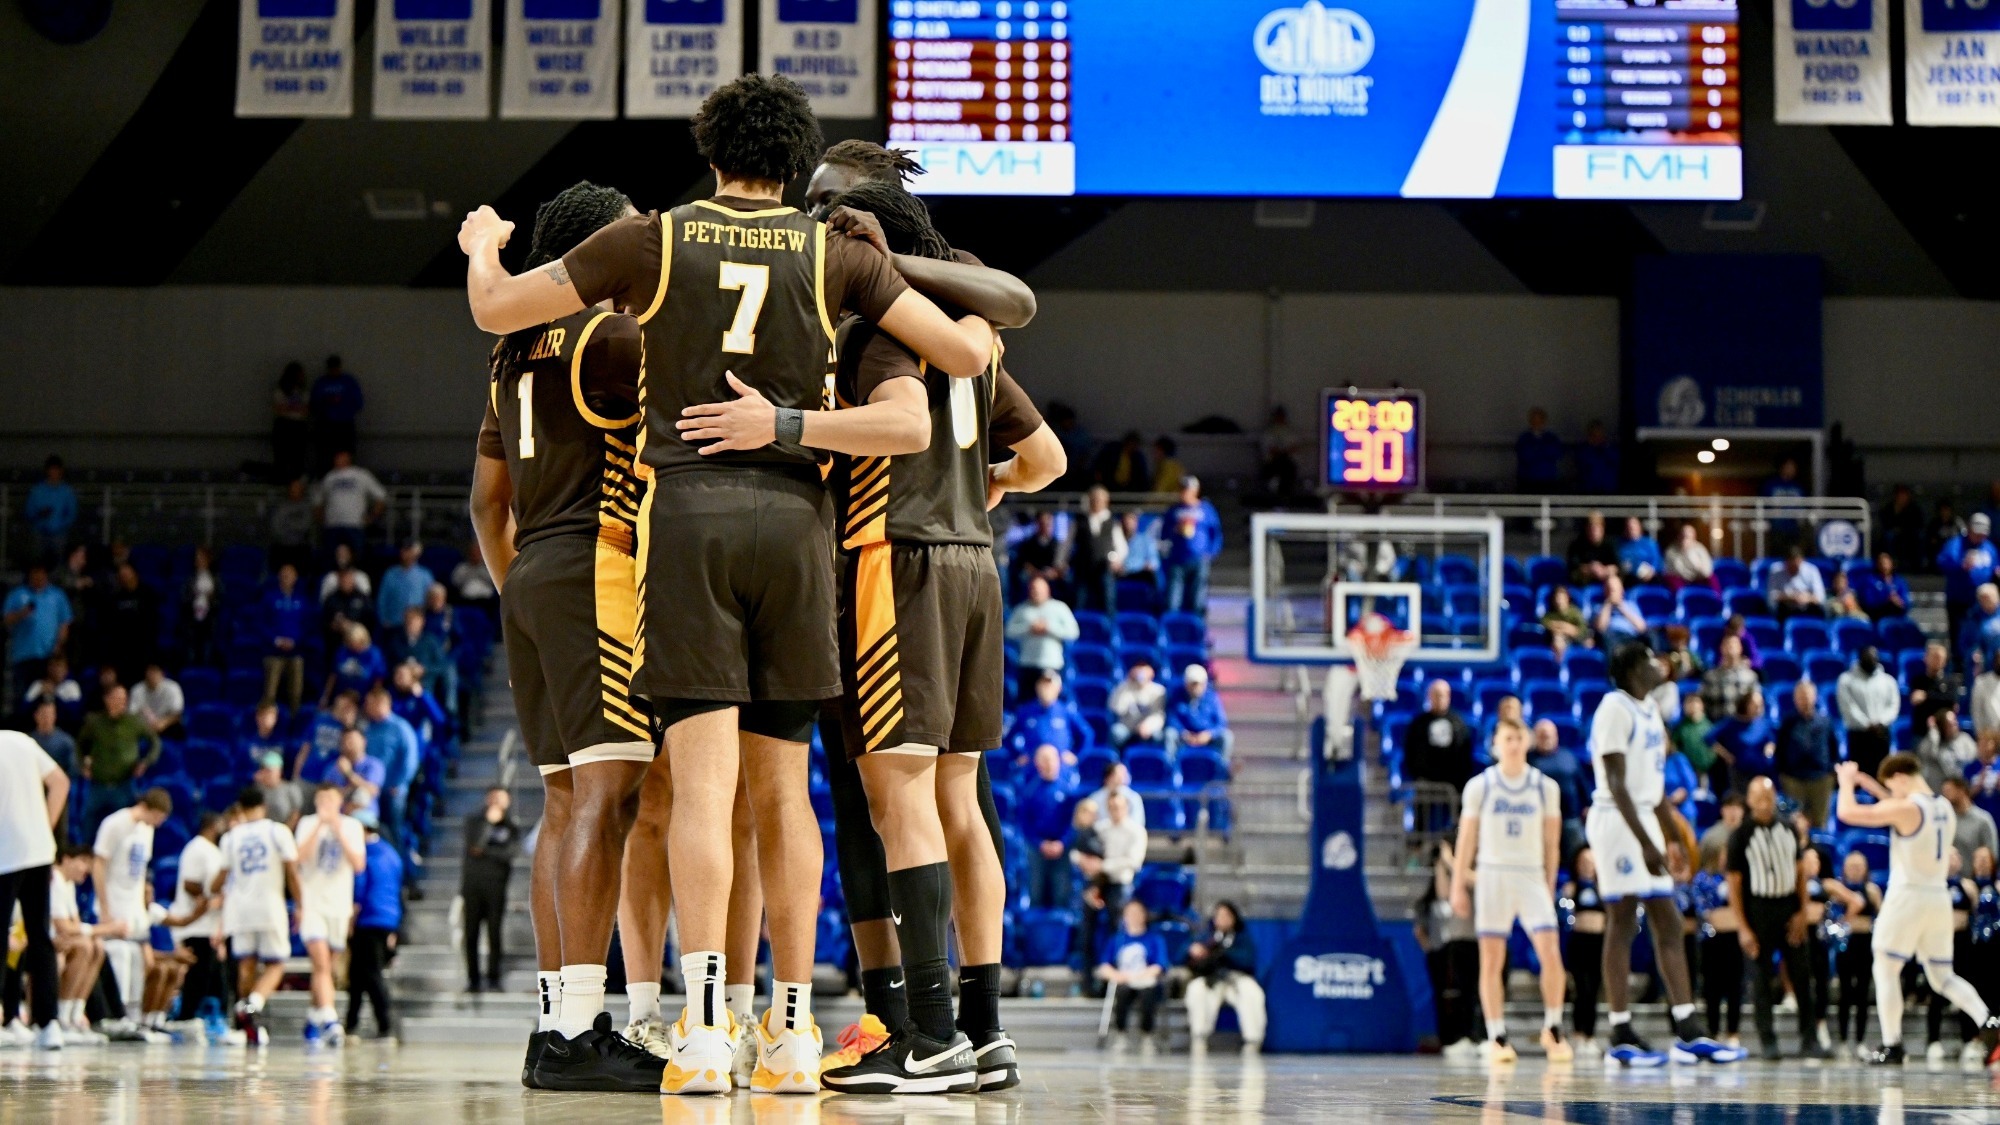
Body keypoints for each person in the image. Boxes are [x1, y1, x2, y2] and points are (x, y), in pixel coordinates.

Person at [461, 74, 999, 1097]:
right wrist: (902, 281)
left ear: (708, 153)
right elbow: (966, 355)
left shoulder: (653, 239)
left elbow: (496, 307)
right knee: (781, 791)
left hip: (687, 522)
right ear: (797, 164)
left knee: (700, 790)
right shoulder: (834, 251)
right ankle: (790, 1031)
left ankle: (704, 1031)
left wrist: (484, 243)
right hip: (798, 524)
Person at [807, 162, 1057, 1093]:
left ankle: (930, 1033)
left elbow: (900, 424)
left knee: (898, 801)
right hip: (975, 563)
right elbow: (1046, 458)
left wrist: (789, 426)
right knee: (961, 803)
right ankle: (984, 1030)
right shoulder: (971, 329)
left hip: (896, 555)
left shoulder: (877, 326)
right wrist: (985, 484)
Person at [1586, 641, 1744, 1066]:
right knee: (1623, 919)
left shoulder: (1651, 710)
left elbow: (1654, 789)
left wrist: (1672, 838)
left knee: (1669, 920)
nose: (1660, 664)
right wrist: (1645, 842)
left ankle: (1687, 1025)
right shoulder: (1614, 708)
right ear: (1633, 669)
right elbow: (1616, 783)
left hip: (1644, 816)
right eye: (1650, 659)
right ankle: (1620, 1029)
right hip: (1616, 818)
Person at [1834, 755, 2000, 1066]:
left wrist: (1845, 782)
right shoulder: (1944, 807)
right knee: (1942, 976)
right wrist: (1870, 785)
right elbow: (1897, 805)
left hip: (1908, 895)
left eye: (1891, 786)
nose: (1892, 792)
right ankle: (1988, 1019)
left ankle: (1892, 1044)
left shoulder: (1908, 808)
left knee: (1885, 966)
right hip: (1938, 897)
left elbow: (1847, 812)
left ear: (1900, 777)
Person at [1449, 717, 1572, 1064]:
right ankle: (1497, 1035)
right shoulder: (1481, 786)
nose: (1514, 744)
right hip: (1492, 873)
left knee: (1550, 951)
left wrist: (1549, 882)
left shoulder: (1545, 787)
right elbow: (1466, 839)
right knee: (1491, 959)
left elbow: (1552, 843)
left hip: (1531, 873)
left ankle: (1553, 1027)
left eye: (1519, 737)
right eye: (1508, 738)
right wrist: (1458, 886)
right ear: (1496, 744)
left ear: (1528, 741)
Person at [1724, 777, 1825, 1059]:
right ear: (1750, 800)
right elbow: (1734, 884)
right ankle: (1768, 1041)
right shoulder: (1741, 835)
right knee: (1761, 979)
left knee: (1802, 975)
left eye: (1768, 797)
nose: (1764, 803)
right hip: (1758, 909)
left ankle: (1810, 1039)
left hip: (1789, 905)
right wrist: (1743, 927)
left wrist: (1802, 911)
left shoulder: (1789, 828)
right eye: (1759, 798)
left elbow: (1800, 873)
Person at [0, 728, 70, 1049]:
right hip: (39, 850)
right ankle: (48, 1023)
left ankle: (7, 1017)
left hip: (5, 854)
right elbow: (61, 782)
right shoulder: (22, 741)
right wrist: (45, 828)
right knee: (40, 936)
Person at [213, 787, 300, 1046]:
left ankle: (244, 1023)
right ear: (264, 806)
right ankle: (253, 1004)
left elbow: (220, 878)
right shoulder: (277, 831)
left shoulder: (231, 837)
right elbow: (292, 872)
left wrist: (211, 888)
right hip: (269, 905)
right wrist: (300, 903)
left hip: (239, 908)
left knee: (246, 963)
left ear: (240, 808)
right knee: (276, 963)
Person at [294, 783, 366, 1045]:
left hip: (339, 905)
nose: (325, 803)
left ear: (339, 802)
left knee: (326, 968)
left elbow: (358, 864)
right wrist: (319, 827)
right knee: (321, 963)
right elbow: (297, 858)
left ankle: (314, 1017)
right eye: (321, 799)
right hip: (312, 904)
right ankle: (331, 1019)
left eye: (330, 799)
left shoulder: (352, 826)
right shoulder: (306, 824)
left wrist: (337, 828)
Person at [1417, 839, 1481, 1057]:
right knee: (1455, 993)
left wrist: (1451, 861)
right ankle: (1456, 1037)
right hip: (1455, 942)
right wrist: (1441, 865)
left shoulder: (1474, 871)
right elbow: (1443, 894)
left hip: (1477, 941)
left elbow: (1474, 881)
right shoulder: (1452, 876)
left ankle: (1476, 1036)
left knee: (1475, 993)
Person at [77, 684, 161, 840]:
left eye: (123, 699)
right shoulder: (95, 722)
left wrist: (145, 762)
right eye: (116, 698)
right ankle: (85, 849)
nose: (121, 702)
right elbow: (80, 745)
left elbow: (154, 742)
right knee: (87, 820)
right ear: (107, 700)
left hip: (124, 783)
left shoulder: (134, 722)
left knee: (127, 824)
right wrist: (83, 765)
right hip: (98, 783)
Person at [345, 811, 402, 1040]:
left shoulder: (365, 854)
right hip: (387, 919)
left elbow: (360, 886)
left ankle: (385, 1025)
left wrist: (352, 915)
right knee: (357, 975)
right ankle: (351, 1023)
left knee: (370, 973)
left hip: (368, 918)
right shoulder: (391, 853)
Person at [461, 787, 521, 994]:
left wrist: (486, 852)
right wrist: (488, 824)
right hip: (472, 887)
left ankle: (494, 978)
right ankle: (473, 980)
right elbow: (474, 846)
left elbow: (509, 854)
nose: (497, 803)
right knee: (471, 935)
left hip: (496, 888)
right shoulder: (474, 822)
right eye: (494, 798)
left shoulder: (511, 827)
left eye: (502, 799)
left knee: (495, 934)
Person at [1184, 901, 1263, 1052]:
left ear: (1234, 918)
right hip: (1212, 979)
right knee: (1196, 989)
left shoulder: (1242, 938)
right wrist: (1192, 949)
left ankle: (1253, 1040)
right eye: (1219, 916)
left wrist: (1223, 952)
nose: (1223, 919)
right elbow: (1182, 955)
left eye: (1227, 915)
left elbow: (1247, 959)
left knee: (1252, 992)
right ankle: (1199, 1037)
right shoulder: (1206, 937)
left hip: (1236, 978)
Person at [1095, 900, 1167, 1045]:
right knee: (1121, 992)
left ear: (1144, 915)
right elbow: (1104, 966)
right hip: (1123, 980)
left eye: (1137, 913)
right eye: (1130, 913)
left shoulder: (1155, 939)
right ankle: (1121, 1033)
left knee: (1148, 994)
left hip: (1145, 979)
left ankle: (1147, 1034)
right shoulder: (1117, 940)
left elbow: (1160, 965)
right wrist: (1117, 975)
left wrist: (1139, 975)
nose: (1134, 916)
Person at [1830, 851, 1881, 1046]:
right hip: (1846, 943)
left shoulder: (1872, 891)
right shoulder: (1839, 890)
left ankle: (1860, 1041)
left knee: (1862, 993)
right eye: (1851, 866)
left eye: (1859, 866)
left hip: (1865, 943)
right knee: (1844, 992)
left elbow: (1881, 915)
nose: (1855, 870)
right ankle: (1843, 1040)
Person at [6, 562, 73, 706]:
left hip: (49, 656)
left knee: (47, 697)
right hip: (24, 656)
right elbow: (6, 620)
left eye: (41, 573)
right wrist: (21, 613)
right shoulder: (17, 595)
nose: (38, 577)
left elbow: (64, 623)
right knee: (24, 698)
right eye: (35, 573)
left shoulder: (57, 595)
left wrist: (59, 646)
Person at [1019, 745, 1078, 908]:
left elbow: (1074, 822)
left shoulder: (1069, 790)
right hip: (1037, 848)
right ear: (1037, 764)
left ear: (1058, 761)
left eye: (1051, 759)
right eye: (1044, 760)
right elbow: (1025, 823)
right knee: (1036, 893)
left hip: (1062, 849)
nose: (1049, 764)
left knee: (1062, 894)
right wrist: (1040, 844)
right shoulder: (1030, 791)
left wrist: (1062, 843)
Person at [1006, 577, 1080, 698]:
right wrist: (1029, 628)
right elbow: (1008, 631)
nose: (1036, 592)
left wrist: (1048, 628)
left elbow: (1073, 632)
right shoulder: (1021, 609)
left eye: (1039, 590)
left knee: (1048, 701)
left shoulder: (1059, 608)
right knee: (1026, 702)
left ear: (1047, 590)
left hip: (1051, 664)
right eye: (1033, 589)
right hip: (1027, 664)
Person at [1159, 476, 1222, 615]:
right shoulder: (1174, 510)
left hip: (1198, 559)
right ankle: (1173, 626)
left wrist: (1211, 552)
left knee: (1197, 600)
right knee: (1173, 600)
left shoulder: (1206, 509)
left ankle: (1197, 626)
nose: (1184, 493)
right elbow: (1164, 533)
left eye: (1187, 490)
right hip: (1177, 559)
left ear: (1195, 491)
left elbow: (1215, 533)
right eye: (1182, 489)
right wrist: (1175, 530)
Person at [1777, 680, 1836, 827]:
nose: (1805, 701)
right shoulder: (1787, 723)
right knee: (1794, 822)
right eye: (1801, 697)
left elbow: (1833, 748)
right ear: (1795, 699)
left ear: (1815, 697)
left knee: (1820, 823)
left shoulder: (1825, 722)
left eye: (1808, 696)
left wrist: (1830, 772)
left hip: (1820, 780)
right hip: (1794, 780)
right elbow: (1780, 749)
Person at [313, 449, 386, 562]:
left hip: (355, 525)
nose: (338, 459)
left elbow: (381, 495)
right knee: (331, 558)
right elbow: (317, 500)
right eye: (337, 457)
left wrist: (372, 516)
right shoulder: (329, 477)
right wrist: (321, 519)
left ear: (348, 457)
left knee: (356, 557)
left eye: (341, 456)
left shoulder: (361, 474)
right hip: (333, 525)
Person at [1838, 647, 1900, 778]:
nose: (1871, 660)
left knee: (1882, 777)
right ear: (1860, 658)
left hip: (1881, 734)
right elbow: (1848, 707)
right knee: (1860, 777)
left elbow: (1893, 706)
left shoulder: (1888, 681)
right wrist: (1867, 724)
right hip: (1858, 736)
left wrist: (1880, 722)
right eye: (1867, 657)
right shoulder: (1846, 680)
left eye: (1873, 657)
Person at [1406, 679, 1476, 792]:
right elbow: (1410, 750)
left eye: (1443, 695)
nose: (1440, 699)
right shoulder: (1419, 724)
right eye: (1436, 695)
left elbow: (1465, 751)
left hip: (1453, 784)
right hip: (1426, 783)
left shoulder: (1458, 723)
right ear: (1429, 696)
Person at [260, 563, 310, 708]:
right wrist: (276, 640)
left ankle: (294, 720)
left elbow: (306, 625)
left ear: (295, 578)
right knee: (270, 693)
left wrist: (295, 641)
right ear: (279, 577)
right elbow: (261, 623)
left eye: (290, 575)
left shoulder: (301, 600)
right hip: (273, 652)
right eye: (284, 575)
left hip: (296, 651)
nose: (287, 577)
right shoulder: (270, 598)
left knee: (296, 693)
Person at [1070, 486, 1125, 614]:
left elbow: (1121, 546)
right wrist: (1060, 562)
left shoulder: (1112, 522)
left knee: (1108, 602)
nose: (1096, 502)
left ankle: (1109, 625)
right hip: (1083, 568)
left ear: (1106, 502)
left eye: (1100, 500)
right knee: (1078, 602)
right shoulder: (1079, 520)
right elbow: (1067, 544)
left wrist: (1116, 560)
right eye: (1094, 499)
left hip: (1103, 568)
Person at [310, 354, 365, 470]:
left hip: (344, 424)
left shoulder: (349, 381)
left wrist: (345, 411)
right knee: (325, 455)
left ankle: (347, 476)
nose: (334, 370)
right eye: (332, 368)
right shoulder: (321, 383)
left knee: (346, 453)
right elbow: (314, 403)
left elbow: (358, 402)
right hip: (326, 424)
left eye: (336, 367)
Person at [1166, 663, 1231, 759]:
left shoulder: (1212, 698)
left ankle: (1222, 766)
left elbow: (1221, 722)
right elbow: (1172, 719)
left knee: (1226, 736)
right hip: (1184, 736)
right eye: (1193, 684)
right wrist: (1184, 733)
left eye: (1200, 684)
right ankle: (1171, 765)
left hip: (1207, 736)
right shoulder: (1177, 697)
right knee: (1170, 734)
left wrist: (1209, 734)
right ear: (1186, 684)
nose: (1196, 687)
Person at [23, 456, 77, 567]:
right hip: (39, 532)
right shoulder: (37, 490)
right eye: (51, 469)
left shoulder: (67, 491)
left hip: (59, 534)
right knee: (37, 562)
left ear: (61, 471)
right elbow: (29, 511)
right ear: (47, 470)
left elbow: (71, 514)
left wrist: (60, 526)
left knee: (58, 563)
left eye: (56, 469)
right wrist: (39, 514)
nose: (54, 472)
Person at [1944, 777, 2000, 873]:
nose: (1945, 795)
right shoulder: (1947, 820)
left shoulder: (1983, 820)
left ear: (1961, 790)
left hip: (1976, 878)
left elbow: (1992, 854)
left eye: (1949, 790)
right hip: (1952, 877)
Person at [1700, 635, 1759, 726]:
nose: (1731, 646)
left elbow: (1756, 706)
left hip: (1740, 728)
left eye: (1734, 644)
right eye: (1727, 644)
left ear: (1740, 648)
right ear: (1721, 648)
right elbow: (1702, 705)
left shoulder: (1750, 677)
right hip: (1716, 726)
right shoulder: (1710, 676)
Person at [376, 541, 434, 632]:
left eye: (411, 552)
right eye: (406, 551)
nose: (408, 555)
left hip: (417, 626)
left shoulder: (425, 575)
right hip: (394, 624)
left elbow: (431, 600)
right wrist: (384, 620)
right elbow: (382, 599)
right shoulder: (390, 574)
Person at [1108, 658, 1166, 747]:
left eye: (1144, 669)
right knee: (1116, 732)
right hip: (1128, 727)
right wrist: (1127, 684)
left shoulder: (1158, 691)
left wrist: (1148, 726)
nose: (1141, 673)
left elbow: (1158, 715)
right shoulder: (1123, 688)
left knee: (1158, 736)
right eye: (1138, 669)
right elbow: (1118, 710)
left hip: (1148, 728)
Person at [1916, 710, 1977, 793]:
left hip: (1964, 786)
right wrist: (1933, 731)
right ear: (1942, 727)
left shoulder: (1965, 739)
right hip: (1942, 788)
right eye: (1949, 724)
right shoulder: (1935, 743)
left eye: (1954, 721)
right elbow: (1925, 753)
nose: (1954, 724)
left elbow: (1976, 759)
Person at [271, 362, 311, 484]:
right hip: (284, 424)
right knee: (282, 453)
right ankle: (281, 478)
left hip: (298, 425)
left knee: (298, 453)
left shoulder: (303, 391)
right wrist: (295, 408)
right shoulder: (280, 390)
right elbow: (279, 409)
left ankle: (296, 479)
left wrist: (289, 408)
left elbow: (305, 410)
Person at [1908, 641, 1959, 734]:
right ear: (1926, 658)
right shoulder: (1918, 681)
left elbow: (1950, 701)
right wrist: (1939, 697)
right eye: (1934, 657)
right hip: (1922, 731)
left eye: (1940, 658)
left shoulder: (1951, 682)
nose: (1937, 661)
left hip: (1945, 732)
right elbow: (1916, 700)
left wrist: (1926, 696)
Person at [269, 477, 316, 577]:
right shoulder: (281, 506)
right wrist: (294, 525)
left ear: (302, 490)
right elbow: (276, 526)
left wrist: (288, 524)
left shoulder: (306, 506)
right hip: (283, 545)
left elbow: (305, 525)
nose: (295, 490)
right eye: (293, 487)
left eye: (298, 488)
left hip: (300, 546)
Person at [24, 655, 82, 734]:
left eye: (59, 667)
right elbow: (23, 710)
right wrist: (39, 695)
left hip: (64, 730)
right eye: (53, 666)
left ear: (66, 669)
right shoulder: (39, 684)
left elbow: (74, 714)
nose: (56, 670)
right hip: (37, 729)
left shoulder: (71, 686)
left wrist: (55, 695)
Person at [1087, 761, 1149, 834]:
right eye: (1120, 774)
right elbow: (1091, 823)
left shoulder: (1134, 797)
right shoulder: (1095, 798)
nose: (1124, 777)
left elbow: (1138, 823)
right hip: (1102, 835)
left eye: (1125, 774)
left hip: (1127, 835)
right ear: (1108, 777)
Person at [128, 662, 185, 740]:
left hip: (167, 725)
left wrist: (163, 723)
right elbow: (131, 714)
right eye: (150, 672)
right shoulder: (137, 689)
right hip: (144, 726)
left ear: (162, 674)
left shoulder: (173, 687)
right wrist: (146, 725)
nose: (152, 675)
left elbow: (177, 713)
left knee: (178, 729)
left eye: (155, 671)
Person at [1767, 547, 1827, 621]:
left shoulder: (1812, 570)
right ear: (1785, 562)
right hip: (1785, 609)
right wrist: (1789, 597)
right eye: (1791, 566)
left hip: (1808, 607)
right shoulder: (1775, 570)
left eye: (1796, 566)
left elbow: (1821, 597)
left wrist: (1807, 598)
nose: (1794, 569)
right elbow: (1770, 596)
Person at [1515, 408, 1564, 492]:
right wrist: (1543, 451)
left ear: (1544, 421)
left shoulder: (1552, 438)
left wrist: (1537, 450)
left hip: (1547, 479)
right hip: (1527, 480)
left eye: (1539, 420)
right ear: (1530, 421)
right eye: (1534, 420)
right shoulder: (1524, 438)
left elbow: (1557, 454)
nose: (1536, 423)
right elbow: (1525, 455)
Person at [1592, 574, 1647, 649]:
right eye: (1609, 589)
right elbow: (1600, 628)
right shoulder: (1599, 608)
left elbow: (1642, 628)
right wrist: (1608, 605)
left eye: (1614, 590)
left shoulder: (1631, 605)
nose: (1612, 593)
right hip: (1612, 637)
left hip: (1631, 637)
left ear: (1621, 590)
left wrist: (1621, 608)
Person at [1567, 512, 1620, 587]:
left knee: (1613, 582)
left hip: (1606, 581)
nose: (1594, 532)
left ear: (1603, 529)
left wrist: (1604, 570)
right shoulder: (1577, 545)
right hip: (1583, 583)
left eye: (1597, 528)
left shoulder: (1611, 544)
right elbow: (1573, 567)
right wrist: (1590, 568)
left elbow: (1617, 566)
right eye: (1591, 529)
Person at [1855, 552, 1911, 621]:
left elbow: (1906, 601)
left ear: (1891, 564)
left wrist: (1898, 601)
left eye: (1886, 563)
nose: (1884, 566)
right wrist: (1886, 600)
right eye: (1881, 563)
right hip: (1877, 615)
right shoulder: (1870, 580)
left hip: (1897, 614)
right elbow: (1868, 601)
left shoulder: (1899, 581)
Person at [1664, 523, 1718, 593]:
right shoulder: (1671, 551)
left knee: (1712, 578)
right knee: (1672, 580)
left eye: (1687, 537)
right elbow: (1674, 571)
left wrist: (1689, 554)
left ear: (1694, 537)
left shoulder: (1700, 549)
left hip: (1698, 577)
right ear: (1678, 536)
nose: (1684, 539)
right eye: (1683, 535)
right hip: (1681, 579)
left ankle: (1717, 598)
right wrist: (1683, 552)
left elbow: (1706, 572)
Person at [1539, 585, 1588, 656]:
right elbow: (1544, 623)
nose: (1559, 601)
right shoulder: (1551, 614)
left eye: (1561, 598)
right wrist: (1563, 627)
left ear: (1567, 598)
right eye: (1557, 598)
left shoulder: (1575, 613)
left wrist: (1570, 629)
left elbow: (1582, 630)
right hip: (1556, 640)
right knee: (1557, 639)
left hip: (1575, 640)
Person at [1575, 421, 1618, 494]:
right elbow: (1583, 465)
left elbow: (1616, 462)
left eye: (1600, 434)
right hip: (1590, 489)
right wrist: (1592, 447)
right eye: (1594, 435)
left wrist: (1606, 448)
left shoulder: (1612, 449)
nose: (1598, 438)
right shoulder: (1583, 450)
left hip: (1609, 489)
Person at [1617, 518, 1662, 585]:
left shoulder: (1650, 543)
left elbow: (1657, 560)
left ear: (1639, 527)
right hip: (1631, 578)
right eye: (1629, 527)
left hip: (1651, 576)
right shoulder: (1621, 545)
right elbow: (1623, 562)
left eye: (1634, 526)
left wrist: (1651, 571)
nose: (1631, 529)